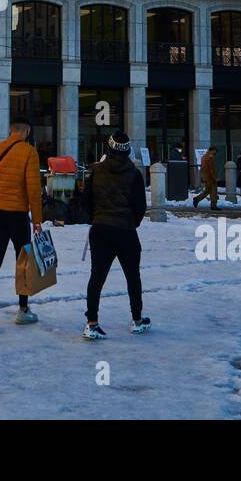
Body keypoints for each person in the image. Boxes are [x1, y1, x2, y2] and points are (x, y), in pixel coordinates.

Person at [0, 117, 44, 329]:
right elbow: (33, 191)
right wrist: (37, 220)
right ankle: (23, 310)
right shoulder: (29, 152)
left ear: (11, 130)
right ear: (27, 131)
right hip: (18, 216)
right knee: (23, 261)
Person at [83, 131, 150, 339]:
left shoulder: (97, 171)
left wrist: (96, 217)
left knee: (97, 276)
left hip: (101, 229)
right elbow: (140, 206)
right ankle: (137, 319)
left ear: (108, 149)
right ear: (128, 151)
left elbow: (86, 201)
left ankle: (92, 322)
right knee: (133, 276)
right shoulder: (134, 174)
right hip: (126, 230)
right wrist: (131, 222)